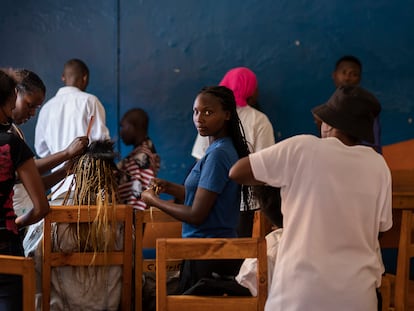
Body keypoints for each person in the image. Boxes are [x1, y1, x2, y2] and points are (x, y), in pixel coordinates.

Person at [229, 85, 392, 311]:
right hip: (358, 297)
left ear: (331, 124)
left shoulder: (303, 148)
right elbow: (379, 229)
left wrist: (279, 179)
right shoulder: (378, 165)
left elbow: (237, 171)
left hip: (299, 295)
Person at [141, 86, 253, 294]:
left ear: (227, 114)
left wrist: (153, 200)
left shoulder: (219, 154)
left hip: (208, 254)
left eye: (208, 112)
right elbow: (206, 196)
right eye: (196, 111)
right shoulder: (218, 149)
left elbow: (196, 214)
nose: (199, 118)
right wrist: (170, 188)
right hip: (210, 251)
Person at [191, 67, 277, 237]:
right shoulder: (259, 119)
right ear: (248, 88)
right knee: (240, 256)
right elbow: (265, 166)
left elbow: (200, 160)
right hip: (246, 203)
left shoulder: (208, 116)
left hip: (211, 200)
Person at [4, 68, 88, 216]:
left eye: (36, 108)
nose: (32, 113)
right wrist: (66, 153)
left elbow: (35, 182)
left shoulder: (16, 132)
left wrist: (66, 170)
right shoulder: (7, 137)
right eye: (29, 105)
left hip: (23, 215)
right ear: (14, 94)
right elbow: (29, 169)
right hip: (14, 218)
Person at [0, 70, 50, 310]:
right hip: (6, 246)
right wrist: (17, 223)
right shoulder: (11, 143)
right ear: (11, 98)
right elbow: (41, 207)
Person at [34, 58, 110, 203]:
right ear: (85, 77)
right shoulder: (90, 101)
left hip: (57, 187)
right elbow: (102, 145)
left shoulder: (47, 108)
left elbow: (41, 150)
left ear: (63, 77)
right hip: (87, 187)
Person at [191, 67, 274, 159]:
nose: (199, 118)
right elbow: (264, 161)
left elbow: (199, 155)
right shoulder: (259, 119)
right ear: (248, 87)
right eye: (254, 86)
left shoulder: (210, 116)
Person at [331, 55, 382, 153]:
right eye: (344, 72)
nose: (347, 78)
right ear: (334, 75)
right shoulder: (328, 109)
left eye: (353, 74)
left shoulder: (367, 109)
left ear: (359, 79)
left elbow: (372, 147)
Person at [117, 108, 160, 210]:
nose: (121, 132)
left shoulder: (142, 157)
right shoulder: (143, 151)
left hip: (134, 219)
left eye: (123, 126)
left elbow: (138, 198)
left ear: (133, 127)